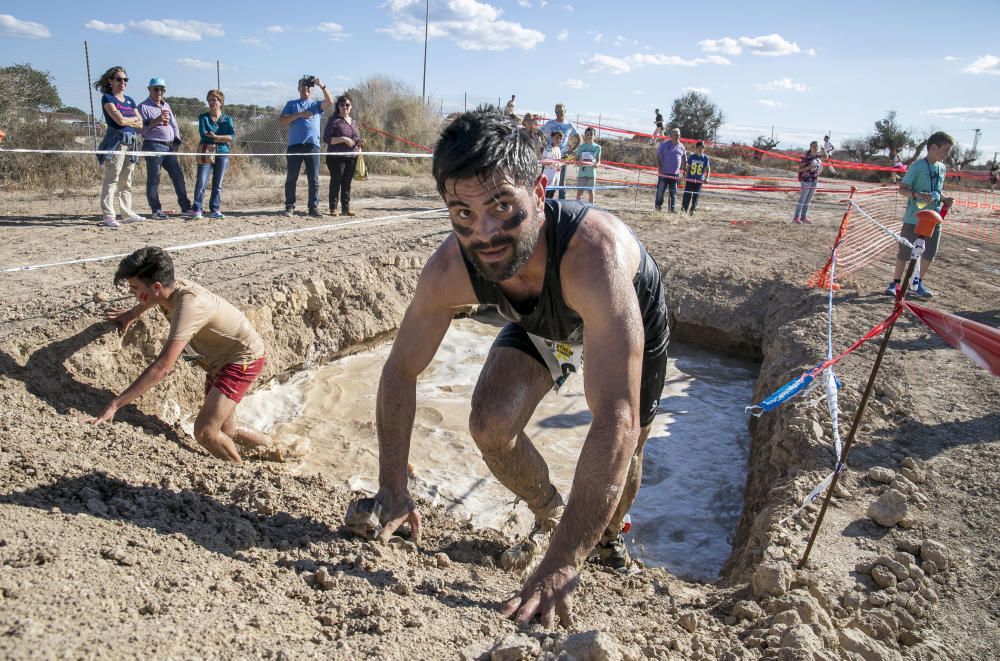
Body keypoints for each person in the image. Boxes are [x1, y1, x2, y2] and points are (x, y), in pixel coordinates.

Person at [372, 110, 669, 629]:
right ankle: (552, 512)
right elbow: (400, 371)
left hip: (620, 311)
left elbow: (617, 421)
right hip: (542, 321)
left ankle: (605, 539)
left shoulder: (593, 256)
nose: (484, 234)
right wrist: (393, 486)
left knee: (632, 438)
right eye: (461, 212)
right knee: (490, 424)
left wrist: (560, 566)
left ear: (540, 187)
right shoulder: (452, 267)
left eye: (501, 205)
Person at [86, 247, 272, 463]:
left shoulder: (190, 306)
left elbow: (163, 367)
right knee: (224, 429)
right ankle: (274, 447)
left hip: (242, 360)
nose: (132, 293)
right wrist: (131, 314)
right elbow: (150, 298)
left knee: (205, 432)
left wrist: (115, 405)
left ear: (156, 286)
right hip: (219, 359)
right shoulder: (167, 288)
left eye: (135, 288)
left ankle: (244, 476)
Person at [885, 131, 955, 299]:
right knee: (905, 252)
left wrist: (945, 199)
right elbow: (902, 189)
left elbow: (937, 190)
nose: (947, 154)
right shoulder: (917, 167)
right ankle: (895, 283)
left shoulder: (942, 168)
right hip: (914, 218)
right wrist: (917, 195)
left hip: (934, 218)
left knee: (929, 252)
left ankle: (916, 284)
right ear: (932, 147)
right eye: (945, 150)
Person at [94, 66, 145, 228]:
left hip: (131, 142)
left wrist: (127, 119)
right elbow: (119, 121)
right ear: (110, 81)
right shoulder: (108, 98)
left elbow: (140, 123)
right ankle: (109, 215)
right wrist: (129, 119)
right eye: (119, 79)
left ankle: (126, 212)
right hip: (116, 142)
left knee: (127, 180)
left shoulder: (130, 100)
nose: (123, 82)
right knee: (112, 178)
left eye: (125, 80)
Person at [137, 77, 192, 220]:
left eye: (162, 89)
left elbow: (174, 125)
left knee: (178, 176)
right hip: (153, 144)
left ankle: (186, 207)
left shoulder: (166, 105)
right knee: (154, 178)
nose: (159, 92)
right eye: (156, 89)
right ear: (149, 89)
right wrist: (157, 121)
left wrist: (177, 140)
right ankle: (156, 210)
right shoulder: (143, 107)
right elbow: (139, 129)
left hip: (169, 147)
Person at [279, 76, 334, 217]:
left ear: (312, 90)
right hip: (295, 146)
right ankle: (289, 206)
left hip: (312, 146)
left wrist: (322, 85)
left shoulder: (316, 105)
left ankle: (313, 207)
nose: (306, 89)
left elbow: (330, 102)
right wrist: (300, 114)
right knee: (291, 177)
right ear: (298, 89)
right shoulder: (291, 104)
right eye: (303, 87)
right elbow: (282, 121)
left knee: (314, 178)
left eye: (308, 87)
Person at [192, 90, 234, 220]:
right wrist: (220, 138)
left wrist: (217, 137)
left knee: (218, 183)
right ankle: (197, 209)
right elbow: (203, 133)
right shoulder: (203, 117)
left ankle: (215, 208)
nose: (211, 102)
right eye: (209, 100)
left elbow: (231, 136)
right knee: (202, 180)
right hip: (206, 150)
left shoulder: (227, 119)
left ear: (221, 102)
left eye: (214, 100)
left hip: (222, 152)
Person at [323, 93, 365, 217]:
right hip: (336, 156)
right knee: (336, 180)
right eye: (342, 105)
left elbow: (356, 139)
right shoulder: (334, 120)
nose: (345, 107)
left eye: (347, 105)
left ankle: (346, 208)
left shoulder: (354, 122)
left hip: (352, 156)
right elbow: (327, 138)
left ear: (351, 107)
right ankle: (333, 207)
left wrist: (360, 142)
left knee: (347, 182)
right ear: (338, 107)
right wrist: (343, 139)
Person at [540, 103, 580, 200]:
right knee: (545, 181)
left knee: (561, 183)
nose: (559, 113)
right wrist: (542, 147)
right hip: (550, 157)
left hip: (563, 157)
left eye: (561, 111)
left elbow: (579, 139)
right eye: (557, 111)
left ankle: (562, 204)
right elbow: (538, 134)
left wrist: (571, 151)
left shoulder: (570, 125)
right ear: (555, 112)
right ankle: (541, 202)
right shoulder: (550, 124)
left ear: (565, 111)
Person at [654, 128, 686, 213]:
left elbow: (685, 159)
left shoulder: (682, 146)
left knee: (673, 193)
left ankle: (672, 209)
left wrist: (684, 172)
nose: (677, 136)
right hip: (663, 173)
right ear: (671, 135)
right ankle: (658, 208)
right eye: (675, 134)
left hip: (675, 175)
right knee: (660, 191)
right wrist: (660, 167)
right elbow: (658, 156)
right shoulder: (664, 145)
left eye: (679, 135)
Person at [792, 141, 823, 224]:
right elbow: (799, 169)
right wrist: (809, 167)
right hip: (806, 180)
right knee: (802, 199)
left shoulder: (818, 156)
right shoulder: (806, 157)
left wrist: (824, 149)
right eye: (814, 146)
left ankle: (803, 217)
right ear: (810, 147)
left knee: (808, 200)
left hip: (814, 180)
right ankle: (796, 218)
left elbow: (827, 157)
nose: (815, 148)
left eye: (817, 146)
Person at [681, 141, 710, 215]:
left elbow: (708, 168)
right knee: (687, 195)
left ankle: (692, 210)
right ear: (696, 148)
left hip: (699, 180)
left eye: (702, 148)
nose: (701, 149)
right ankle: (683, 210)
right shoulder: (692, 157)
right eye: (699, 147)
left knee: (696, 196)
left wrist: (707, 178)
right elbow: (688, 167)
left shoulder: (706, 158)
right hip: (690, 179)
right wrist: (685, 175)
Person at [574, 127, 601, 204]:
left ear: (594, 135)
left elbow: (598, 161)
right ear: (585, 135)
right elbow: (576, 159)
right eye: (587, 134)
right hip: (582, 173)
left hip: (591, 173)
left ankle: (591, 207)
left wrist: (597, 164)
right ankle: (578, 207)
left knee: (591, 192)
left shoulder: (597, 147)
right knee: (579, 192)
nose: (589, 136)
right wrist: (578, 162)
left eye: (591, 134)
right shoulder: (581, 147)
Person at [540, 131, 563, 200]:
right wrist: (553, 163)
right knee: (546, 195)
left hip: (556, 174)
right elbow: (544, 162)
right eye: (557, 138)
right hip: (549, 174)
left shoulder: (558, 149)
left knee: (552, 194)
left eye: (560, 138)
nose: (559, 140)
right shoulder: (548, 148)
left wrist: (561, 163)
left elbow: (559, 161)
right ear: (552, 138)